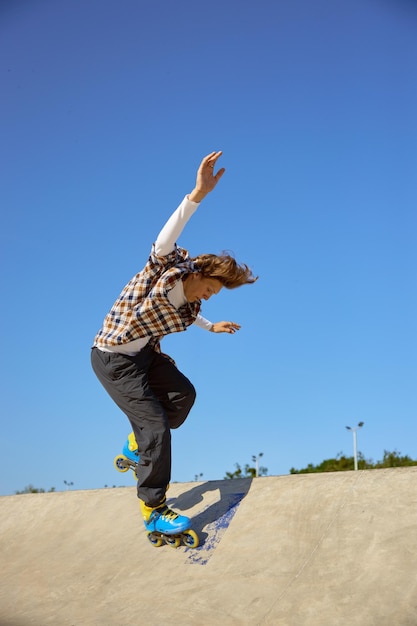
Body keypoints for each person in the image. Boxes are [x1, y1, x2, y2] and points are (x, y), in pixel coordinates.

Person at [91, 151, 257, 535]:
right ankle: (154, 508)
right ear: (199, 275)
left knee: (183, 397)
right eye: (212, 288)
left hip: (145, 357)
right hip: (113, 359)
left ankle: (137, 444)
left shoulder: (193, 304)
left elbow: (186, 313)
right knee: (157, 429)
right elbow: (168, 233)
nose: (211, 296)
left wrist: (210, 326)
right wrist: (198, 193)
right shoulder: (164, 268)